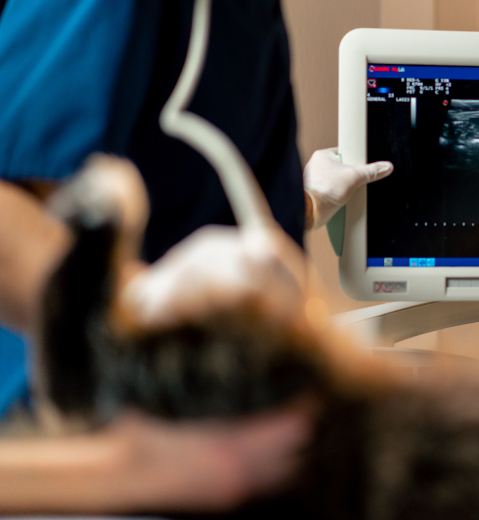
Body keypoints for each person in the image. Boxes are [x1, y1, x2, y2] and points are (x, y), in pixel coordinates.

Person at [0, 0, 391, 511]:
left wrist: (304, 204)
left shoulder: (244, 20)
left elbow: (190, 193)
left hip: (203, 450)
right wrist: (144, 311)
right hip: (86, 447)